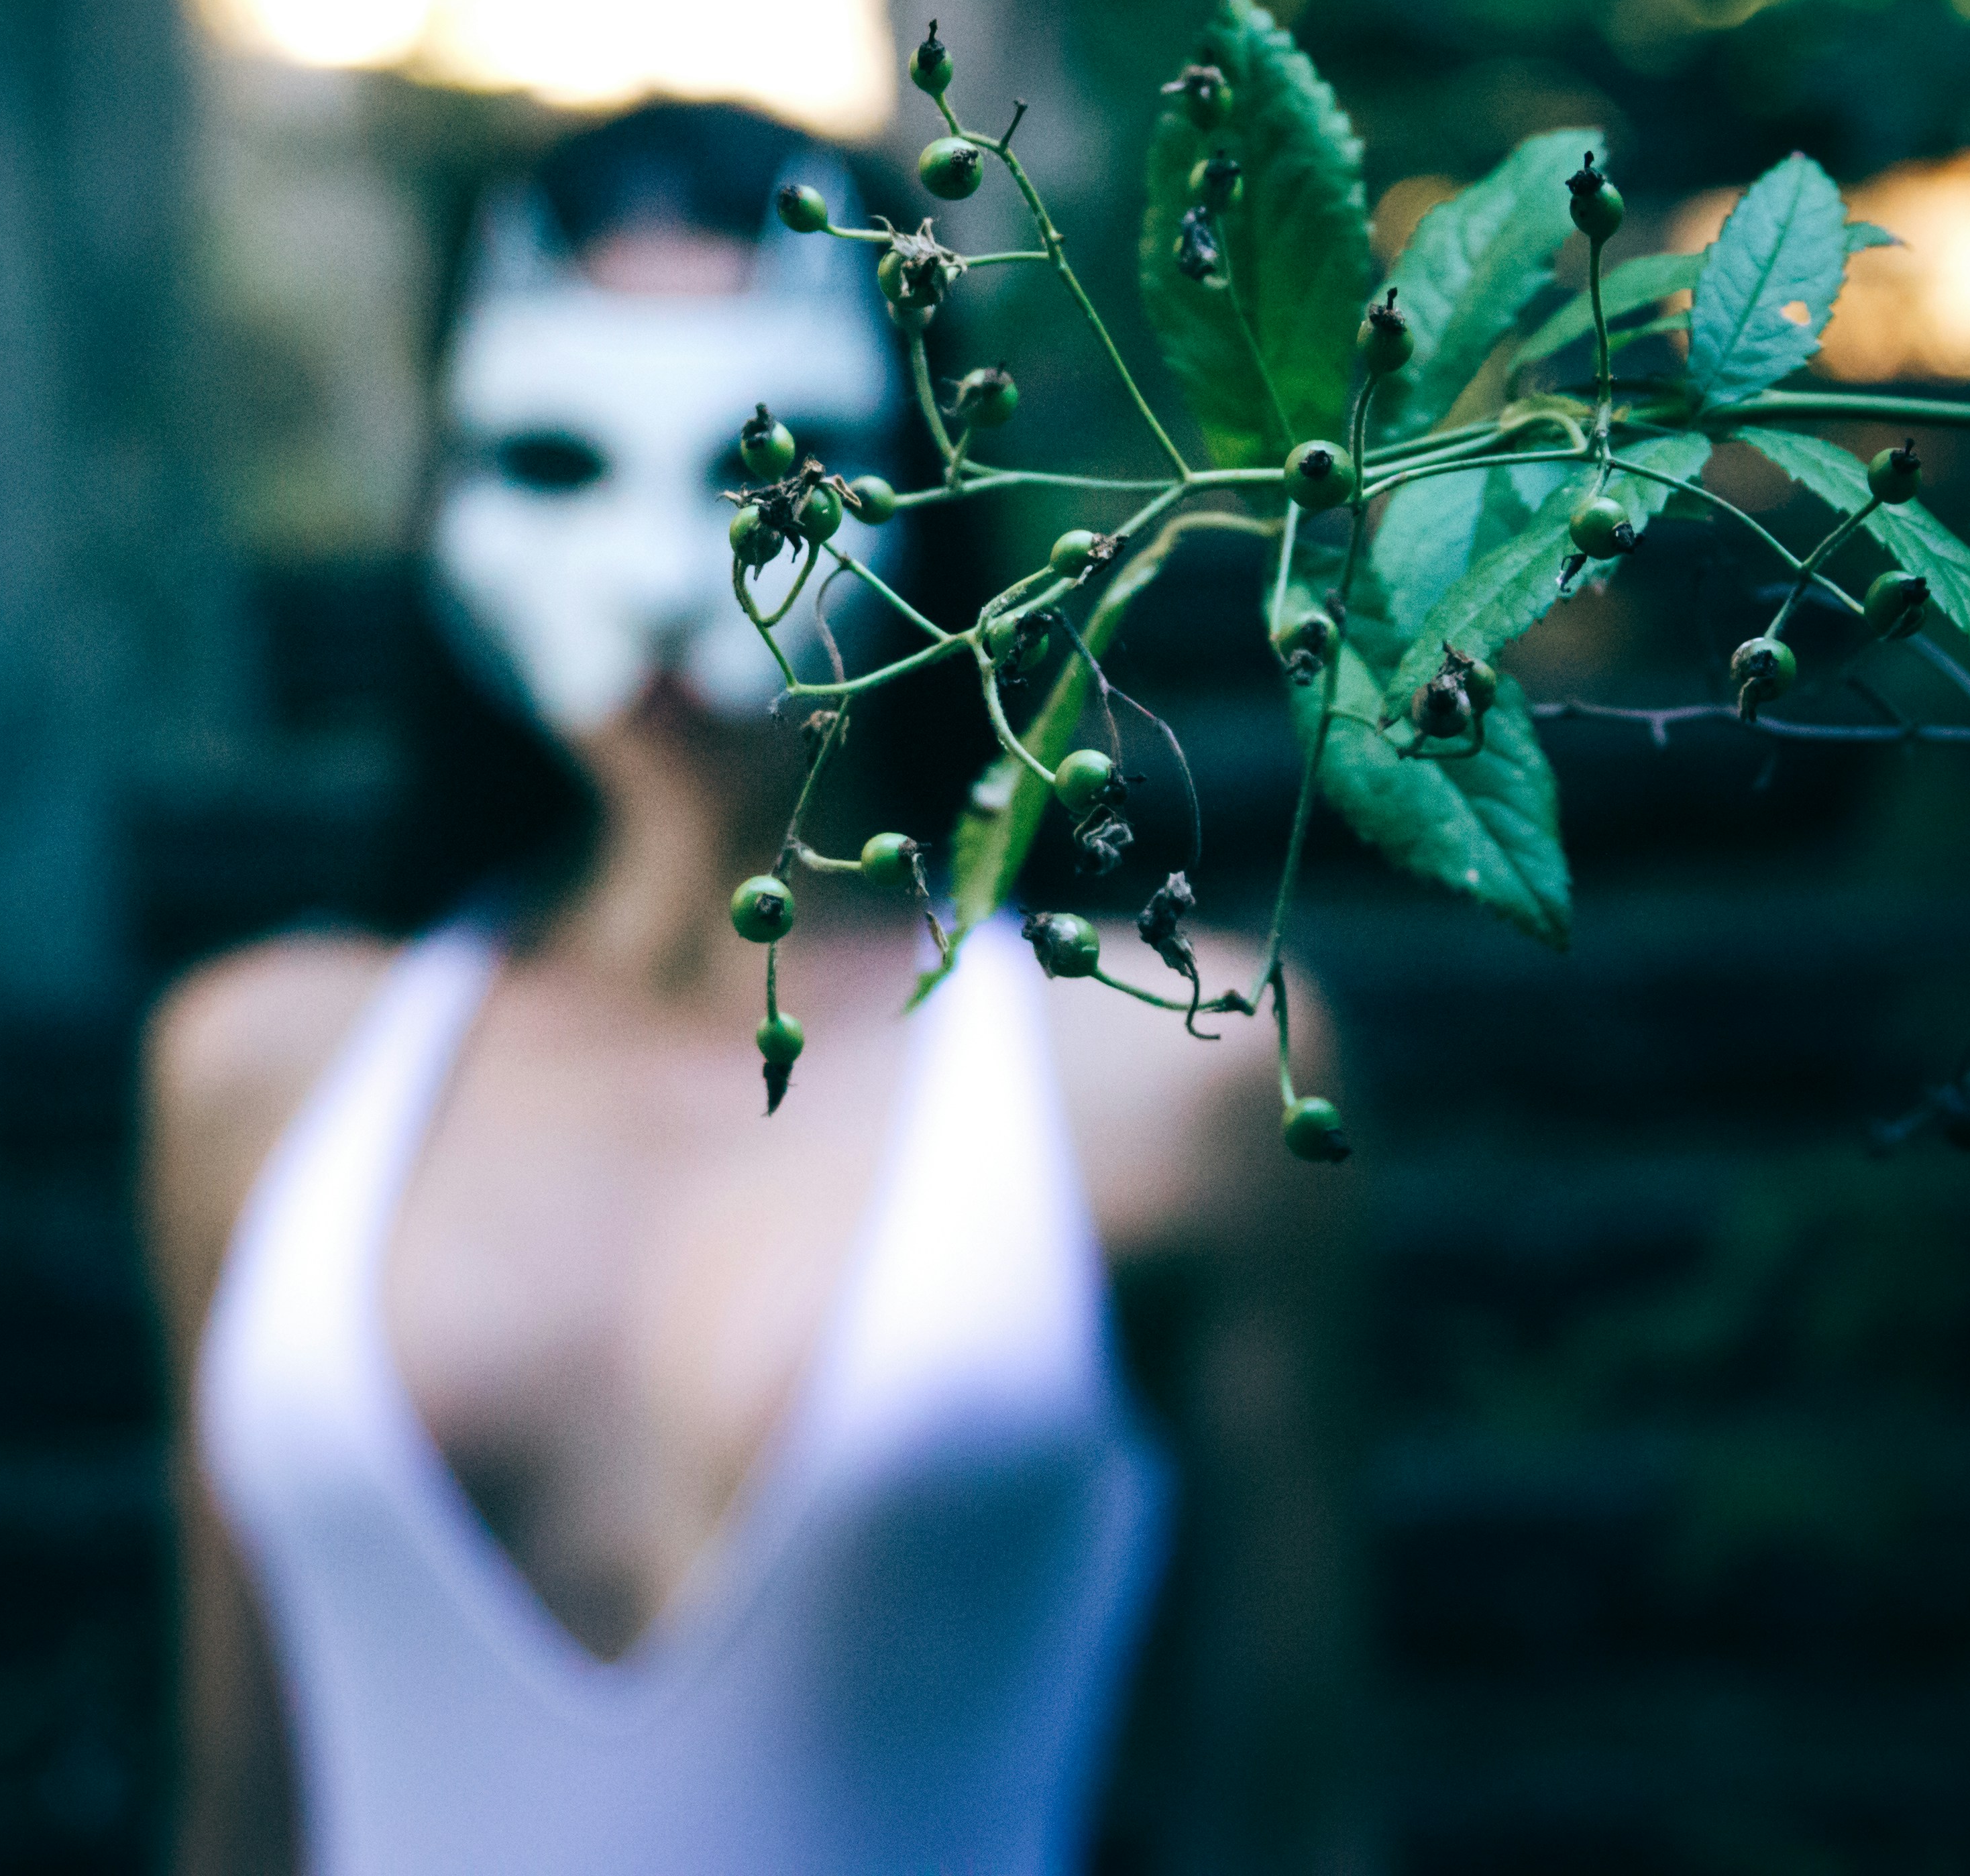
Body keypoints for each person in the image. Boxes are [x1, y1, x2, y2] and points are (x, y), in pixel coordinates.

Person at [146, 101, 1362, 1873]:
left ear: (921, 478)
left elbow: (1298, 1819)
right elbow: (236, 1819)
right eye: (556, 459)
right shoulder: (255, 1072)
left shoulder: (1178, 1076)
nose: (663, 577)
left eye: (760, 472)